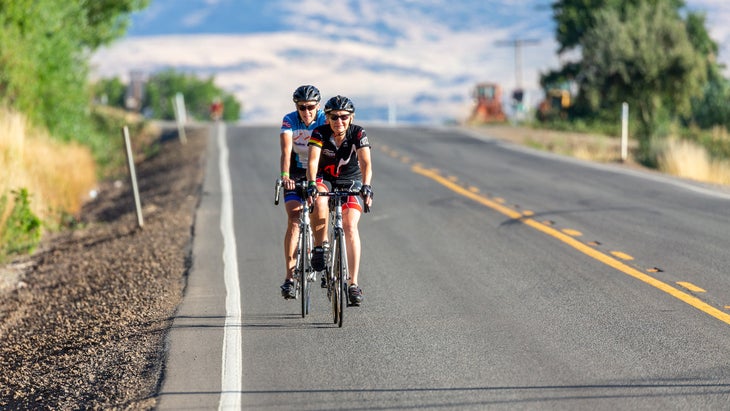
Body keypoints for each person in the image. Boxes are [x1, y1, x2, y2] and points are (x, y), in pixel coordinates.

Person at [306, 95, 373, 306]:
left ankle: (353, 284)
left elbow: (365, 163)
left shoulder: (358, 133)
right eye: (334, 117)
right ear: (327, 118)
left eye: (344, 117)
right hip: (325, 178)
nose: (339, 121)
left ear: (351, 118)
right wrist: (310, 184)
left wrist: (367, 186)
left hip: (350, 180)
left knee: (350, 225)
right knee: (319, 200)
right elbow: (313, 160)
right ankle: (320, 247)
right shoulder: (320, 132)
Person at [279, 85, 327, 299]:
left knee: (319, 208)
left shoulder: (325, 119)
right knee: (294, 217)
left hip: (320, 171)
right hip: (297, 171)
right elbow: (286, 150)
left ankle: (320, 249)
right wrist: (285, 175)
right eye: (302, 107)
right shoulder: (289, 120)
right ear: (296, 106)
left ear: (318, 106)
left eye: (311, 107)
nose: (306, 112)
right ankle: (289, 278)